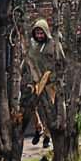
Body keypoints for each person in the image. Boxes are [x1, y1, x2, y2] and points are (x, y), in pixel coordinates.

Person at [22, 19, 66, 149]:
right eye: (37, 33)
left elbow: (62, 62)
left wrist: (54, 76)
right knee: (31, 105)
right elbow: (27, 61)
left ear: (46, 32)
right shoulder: (32, 46)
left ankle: (47, 136)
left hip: (49, 81)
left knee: (48, 108)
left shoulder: (53, 44)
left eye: (41, 33)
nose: (39, 35)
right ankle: (38, 127)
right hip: (35, 80)